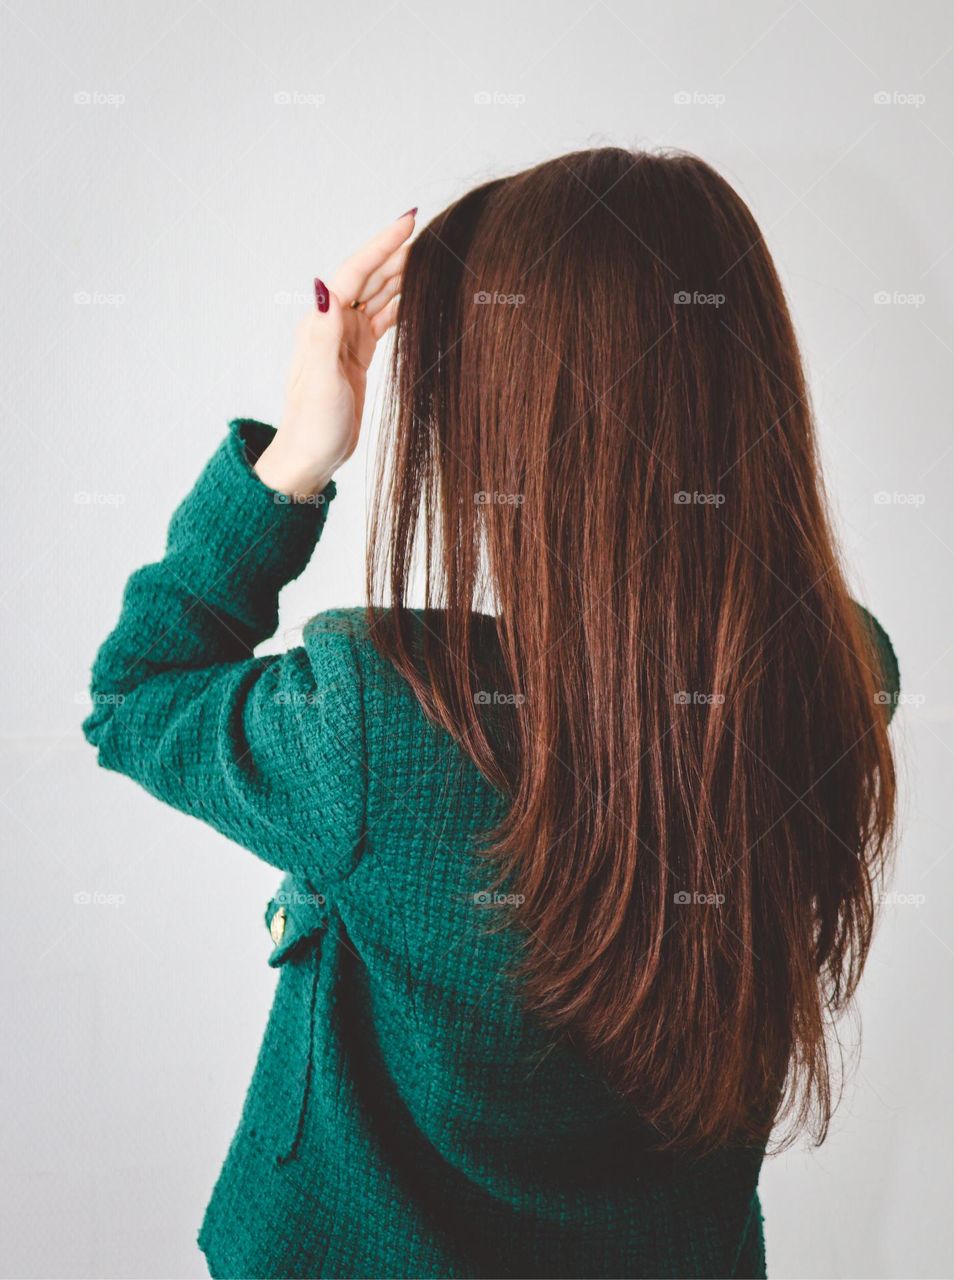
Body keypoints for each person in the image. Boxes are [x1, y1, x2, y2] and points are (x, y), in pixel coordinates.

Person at [83, 146, 900, 1279]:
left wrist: (295, 460)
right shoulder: (837, 684)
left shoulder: (374, 716)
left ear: (519, 431)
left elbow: (135, 692)